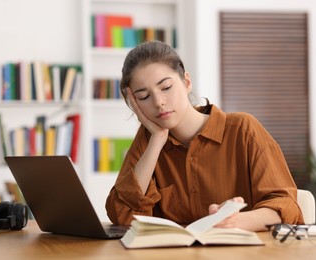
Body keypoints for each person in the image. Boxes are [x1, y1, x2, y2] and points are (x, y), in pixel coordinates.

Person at [105, 41, 304, 231]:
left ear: (186, 82)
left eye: (166, 87)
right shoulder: (148, 142)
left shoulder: (243, 130)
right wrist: (157, 140)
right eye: (144, 97)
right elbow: (122, 214)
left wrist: (235, 221)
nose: (159, 102)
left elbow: (286, 206)